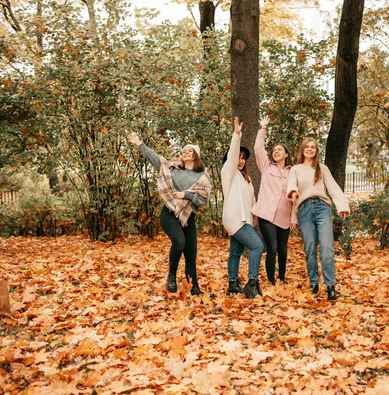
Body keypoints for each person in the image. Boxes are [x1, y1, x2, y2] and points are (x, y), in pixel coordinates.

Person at [127, 133, 211, 296]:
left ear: (196, 156)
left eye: (189, 151)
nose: (185, 153)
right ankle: (171, 275)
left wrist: (185, 195)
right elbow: (156, 160)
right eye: (184, 151)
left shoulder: (202, 176)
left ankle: (193, 286)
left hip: (188, 217)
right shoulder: (173, 168)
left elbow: (202, 199)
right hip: (169, 213)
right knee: (179, 243)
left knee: (191, 254)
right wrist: (140, 144)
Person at [287, 138, 350, 301]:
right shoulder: (296, 169)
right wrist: (293, 192)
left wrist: (342, 205)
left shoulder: (322, 168)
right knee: (310, 248)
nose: (309, 149)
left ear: (316, 150)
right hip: (304, 209)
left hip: (322, 208)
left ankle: (330, 286)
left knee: (327, 249)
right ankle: (314, 282)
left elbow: (333, 187)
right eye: (307, 147)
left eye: (312, 147)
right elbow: (291, 184)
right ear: (302, 150)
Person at [221, 117, 264, 298]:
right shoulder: (228, 173)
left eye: (243, 158)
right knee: (257, 246)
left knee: (236, 252)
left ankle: (232, 284)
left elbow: (252, 202)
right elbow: (231, 157)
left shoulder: (247, 179)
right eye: (237, 157)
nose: (240, 161)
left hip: (244, 219)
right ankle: (252, 283)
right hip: (235, 219)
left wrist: (255, 219)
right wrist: (236, 136)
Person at [251, 117, 297, 285]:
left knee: (283, 250)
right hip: (266, 215)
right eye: (274, 150)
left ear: (286, 154)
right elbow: (258, 149)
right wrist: (262, 128)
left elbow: (294, 198)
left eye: (280, 150)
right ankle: (271, 280)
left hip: (284, 217)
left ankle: (282, 277)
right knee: (272, 248)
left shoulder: (293, 172)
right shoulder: (266, 167)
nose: (276, 152)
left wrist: (294, 217)